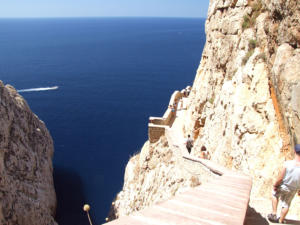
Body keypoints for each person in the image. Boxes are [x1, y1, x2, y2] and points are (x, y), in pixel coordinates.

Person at [268, 144, 300, 223]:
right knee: (286, 204)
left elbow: (280, 177)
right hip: (293, 189)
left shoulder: (288, 164)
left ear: (295, 151)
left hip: (283, 186)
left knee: (274, 195)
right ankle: (281, 220)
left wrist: (275, 185)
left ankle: (274, 213)